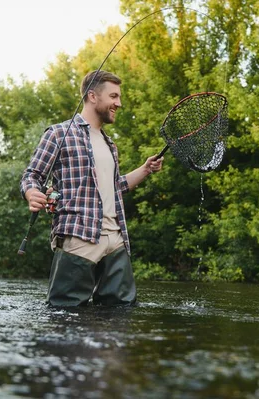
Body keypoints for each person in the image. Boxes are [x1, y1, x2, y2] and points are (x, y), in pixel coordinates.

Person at [20, 70, 164, 307]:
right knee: (64, 315)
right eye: (114, 96)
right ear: (93, 96)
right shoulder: (58, 133)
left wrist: (145, 169)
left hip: (115, 239)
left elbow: (116, 187)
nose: (119, 103)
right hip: (79, 237)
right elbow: (32, 175)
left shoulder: (110, 144)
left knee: (121, 314)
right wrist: (31, 192)